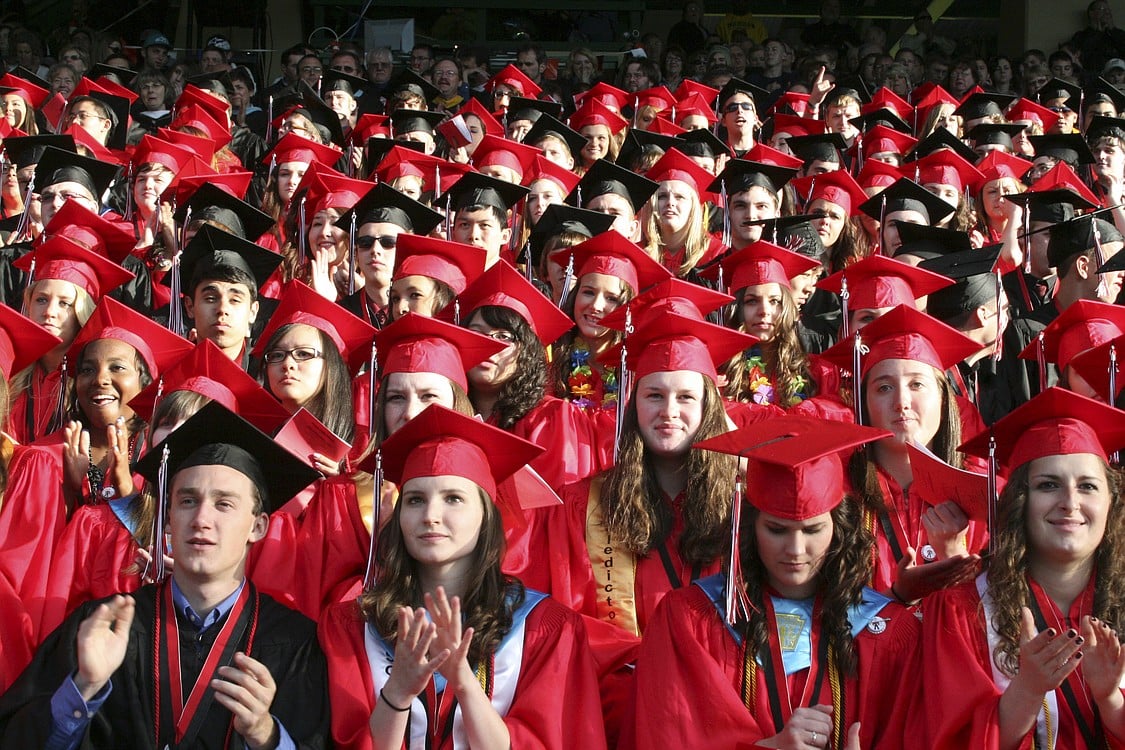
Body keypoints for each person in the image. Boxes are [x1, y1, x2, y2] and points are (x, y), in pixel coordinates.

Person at [0, 402, 330, 749]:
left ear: (258, 526)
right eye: (188, 501)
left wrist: (267, 736)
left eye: (224, 504)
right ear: (168, 517)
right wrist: (82, 688)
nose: (202, 519)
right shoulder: (106, 628)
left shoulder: (294, 643)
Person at [318, 404, 607, 749]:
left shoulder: (544, 629)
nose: (431, 516)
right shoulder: (354, 625)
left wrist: (464, 682)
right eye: (414, 500)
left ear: (487, 516)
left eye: (454, 498)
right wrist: (397, 691)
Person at [625, 416, 921, 749]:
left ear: (839, 528)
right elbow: (666, 735)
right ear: (749, 527)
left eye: (812, 530)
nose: (795, 550)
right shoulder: (690, 621)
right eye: (776, 530)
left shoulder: (888, 632)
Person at [924, 387, 1125, 749]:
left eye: (1088, 486)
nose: (1069, 503)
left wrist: (1111, 702)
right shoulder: (961, 613)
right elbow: (952, 739)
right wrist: (1028, 690)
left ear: (1111, 502)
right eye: (1048, 485)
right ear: (1020, 500)